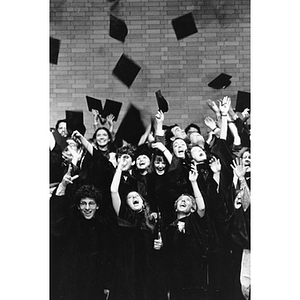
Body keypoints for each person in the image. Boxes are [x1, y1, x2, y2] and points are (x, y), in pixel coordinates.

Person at [109, 153, 164, 300]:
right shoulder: (125, 216)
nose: (133, 198)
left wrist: (160, 243)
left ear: (143, 201)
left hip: (148, 267)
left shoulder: (152, 220)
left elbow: (158, 242)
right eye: (130, 198)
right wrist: (119, 168)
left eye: (136, 196)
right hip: (129, 265)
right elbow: (114, 191)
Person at [50, 165, 110, 300]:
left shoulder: (102, 226)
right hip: (71, 283)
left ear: (97, 206)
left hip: (94, 284)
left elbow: (107, 258)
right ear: (78, 206)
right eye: (83, 204)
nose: (87, 208)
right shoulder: (71, 222)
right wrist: (63, 185)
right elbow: (56, 222)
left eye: (91, 204)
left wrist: (106, 284)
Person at [163, 163, 209, 300]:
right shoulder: (169, 228)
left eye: (187, 200)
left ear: (192, 208)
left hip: (195, 277)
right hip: (176, 279)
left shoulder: (195, 221)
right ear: (175, 208)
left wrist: (193, 182)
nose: (183, 201)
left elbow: (202, 208)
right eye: (181, 200)